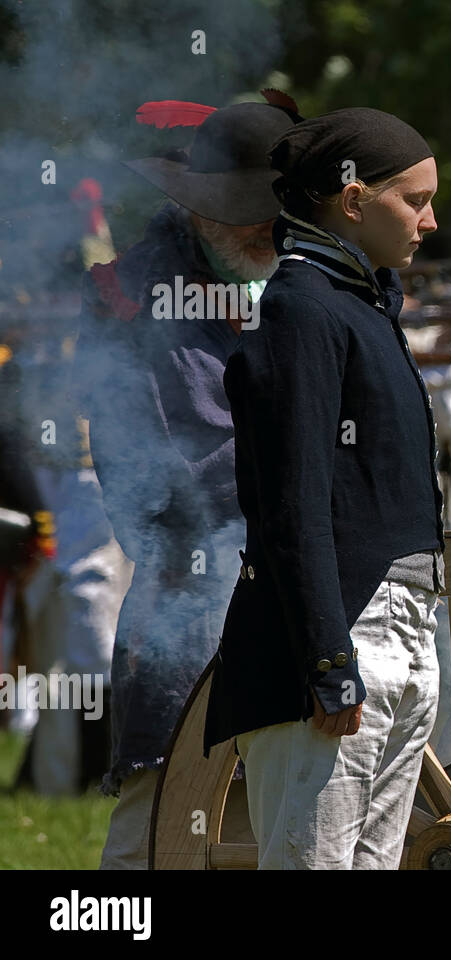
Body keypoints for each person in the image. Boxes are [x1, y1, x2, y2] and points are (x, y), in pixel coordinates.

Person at [203, 107, 447, 870]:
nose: (431, 221)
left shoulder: (361, 306)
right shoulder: (301, 309)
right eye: (415, 199)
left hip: (402, 630)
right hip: (345, 632)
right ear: (352, 201)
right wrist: (326, 661)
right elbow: (290, 506)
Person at [78, 96, 303, 867]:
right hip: (195, 591)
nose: (264, 229)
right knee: (156, 833)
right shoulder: (134, 298)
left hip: (303, 585)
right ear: (198, 207)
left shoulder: (297, 277)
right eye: (243, 211)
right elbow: (180, 480)